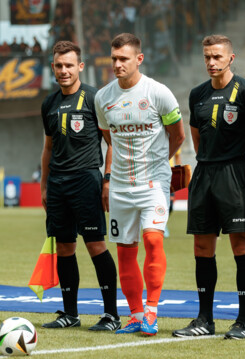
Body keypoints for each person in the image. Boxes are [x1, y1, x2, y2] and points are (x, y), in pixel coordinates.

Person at [95, 33, 185, 336]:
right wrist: (109, 179)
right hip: (120, 186)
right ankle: (134, 314)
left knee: (153, 241)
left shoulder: (158, 93)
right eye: (114, 59)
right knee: (125, 251)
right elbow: (110, 140)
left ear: (139, 59)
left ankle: (151, 311)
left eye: (123, 59)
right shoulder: (103, 98)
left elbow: (179, 135)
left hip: (154, 183)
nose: (117, 64)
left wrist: (161, 162)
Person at [172, 34, 245, 340]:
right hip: (205, 174)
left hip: (236, 174)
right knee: (201, 247)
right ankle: (204, 319)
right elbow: (197, 139)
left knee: (241, 246)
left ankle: (243, 321)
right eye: (207, 57)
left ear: (231, 58)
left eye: (217, 57)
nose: (211, 62)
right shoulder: (197, 94)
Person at [40, 41, 120, 331]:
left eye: (69, 65)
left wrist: (107, 180)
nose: (64, 70)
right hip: (58, 184)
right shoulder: (48, 103)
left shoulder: (94, 98)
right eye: (59, 65)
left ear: (80, 67)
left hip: (86, 180)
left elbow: (112, 143)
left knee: (95, 245)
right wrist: (44, 185)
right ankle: (70, 314)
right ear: (53, 68)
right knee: (63, 248)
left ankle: (111, 314)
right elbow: (47, 149)